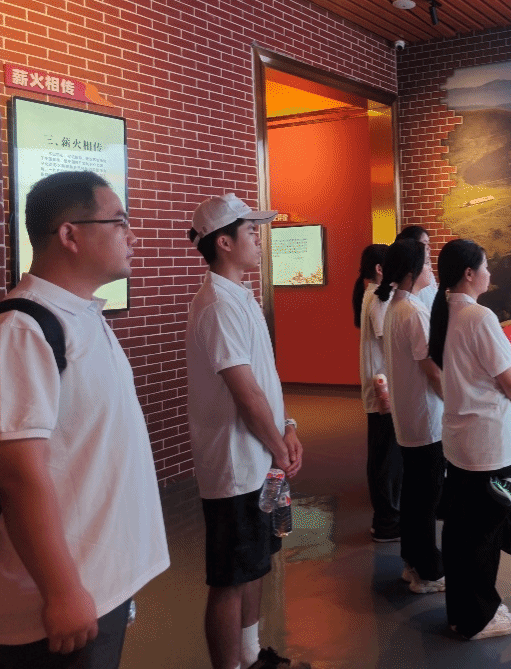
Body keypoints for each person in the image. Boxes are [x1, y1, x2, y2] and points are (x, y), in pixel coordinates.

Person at [0, 171, 169, 668]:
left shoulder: (82, 316)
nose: (133, 236)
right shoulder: (21, 329)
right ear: (70, 235)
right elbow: (16, 474)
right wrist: (62, 591)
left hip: (98, 582)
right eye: (119, 222)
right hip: (55, 600)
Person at [185, 193, 305, 669]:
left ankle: (252, 655)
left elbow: (264, 381)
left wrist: (287, 427)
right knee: (230, 579)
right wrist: (279, 448)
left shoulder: (241, 297)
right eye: (250, 230)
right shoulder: (218, 304)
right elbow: (245, 392)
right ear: (224, 242)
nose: (258, 237)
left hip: (260, 459)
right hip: (236, 466)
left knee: (255, 564)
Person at [427, 239, 511, 640]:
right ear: (469, 273)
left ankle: (463, 611)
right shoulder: (479, 316)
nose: (490, 273)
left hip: (461, 441)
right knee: (485, 531)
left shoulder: (446, 313)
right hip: (488, 443)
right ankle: (479, 617)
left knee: (461, 530)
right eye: (486, 266)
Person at [376, 239, 446, 594]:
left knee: (416, 495)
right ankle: (427, 573)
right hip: (426, 419)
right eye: (427, 263)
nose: (431, 269)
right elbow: (431, 370)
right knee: (425, 499)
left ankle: (412, 564)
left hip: (409, 418)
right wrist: (455, 401)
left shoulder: (396, 306)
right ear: (411, 272)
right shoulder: (414, 311)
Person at [353, 244, 403, 543]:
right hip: (384, 391)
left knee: (382, 457)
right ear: (380, 269)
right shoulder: (379, 299)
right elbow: (390, 341)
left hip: (378, 390)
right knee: (387, 460)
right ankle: (387, 522)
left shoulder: (370, 294)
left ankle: (385, 520)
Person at [395, 225, 437, 310]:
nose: (429, 248)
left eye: (428, 244)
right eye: (424, 243)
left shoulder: (427, 270)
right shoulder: (409, 276)